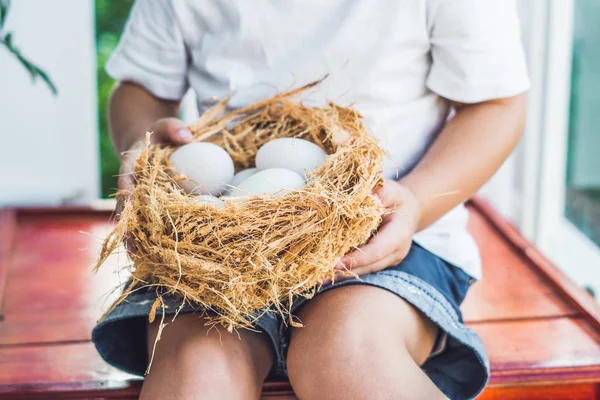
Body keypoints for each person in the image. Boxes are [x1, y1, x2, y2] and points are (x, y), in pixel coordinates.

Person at [92, 1, 529, 399]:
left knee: (349, 355)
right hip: (215, 243)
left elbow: (497, 104)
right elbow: (141, 86)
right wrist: (142, 143)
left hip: (386, 241)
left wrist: (416, 200)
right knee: (197, 369)